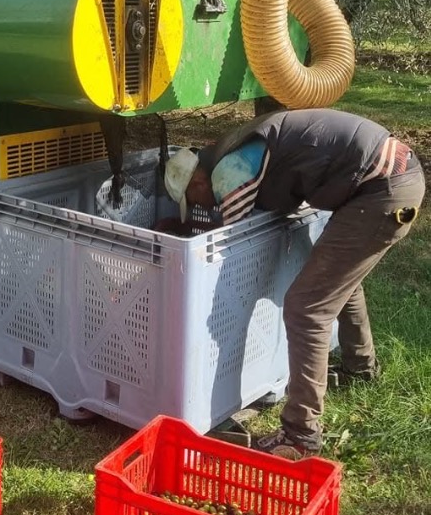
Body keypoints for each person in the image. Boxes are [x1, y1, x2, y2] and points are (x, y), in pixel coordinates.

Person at [164, 109, 425, 459]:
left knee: (307, 308)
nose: (201, 206)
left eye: (193, 201)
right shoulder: (232, 148)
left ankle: (300, 434)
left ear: (197, 182)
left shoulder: (229, 172)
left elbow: (234, 245)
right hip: (391, 173)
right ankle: (360, 368)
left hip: (380, 189)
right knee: (336, 279)